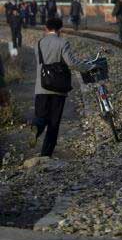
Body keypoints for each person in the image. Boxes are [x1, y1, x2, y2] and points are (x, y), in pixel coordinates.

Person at [30, 18, 94, 157]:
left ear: (46, 28)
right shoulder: (63, 42)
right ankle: (46, 154)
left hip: (41, 87)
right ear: (60, 29)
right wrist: (87, 67)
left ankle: (37, 127)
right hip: (58, 88)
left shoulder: (39, 43)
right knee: (54, 123)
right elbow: (71, 63)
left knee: (41, 116)